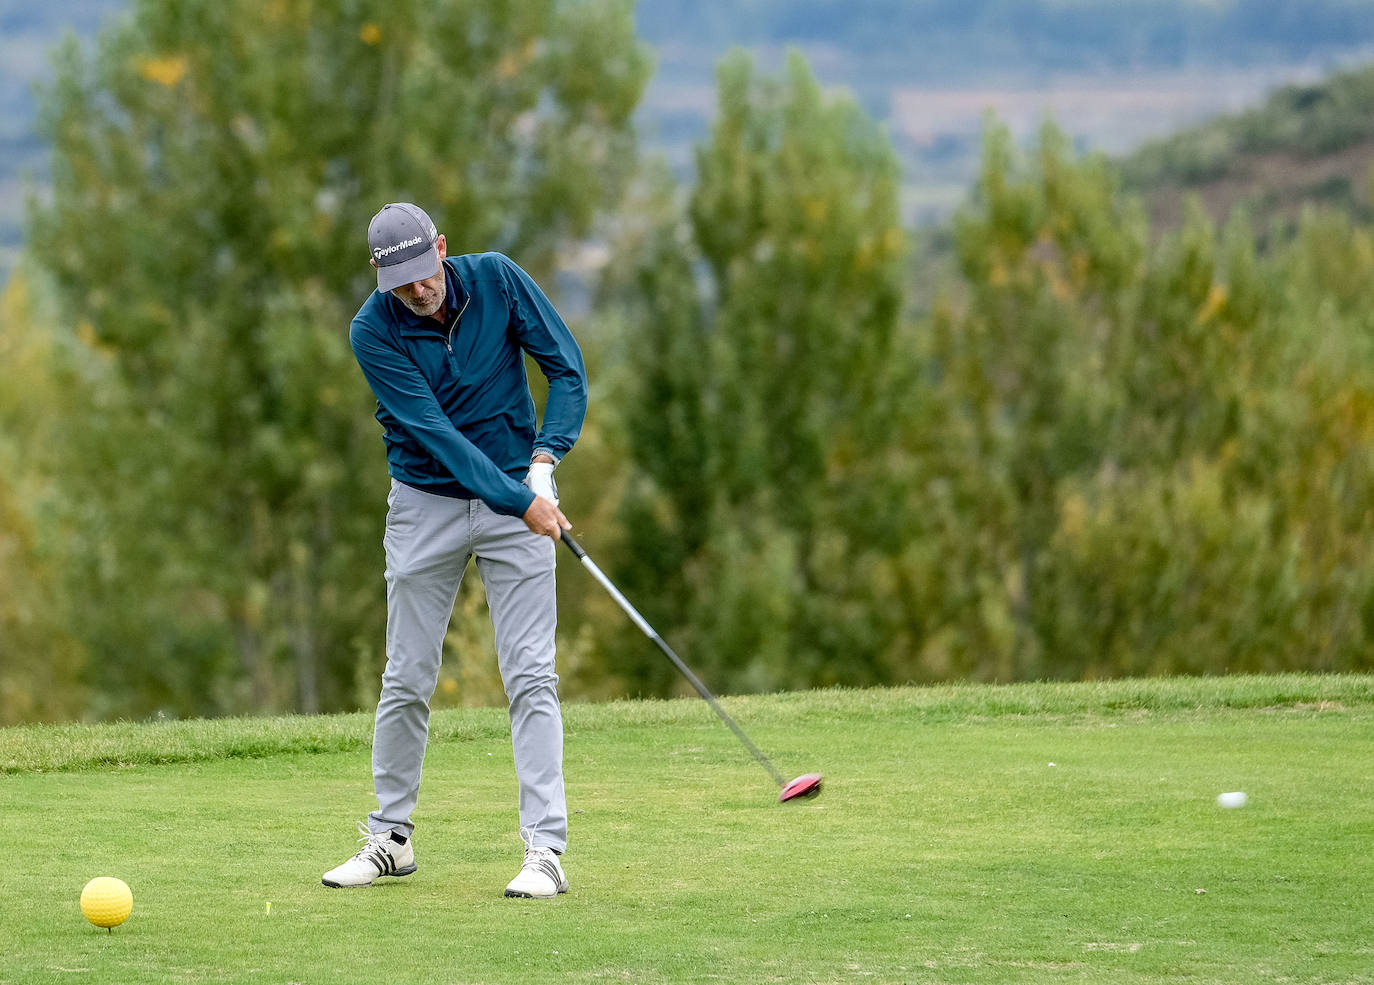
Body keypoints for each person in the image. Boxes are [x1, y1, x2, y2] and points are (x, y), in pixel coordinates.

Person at [322, 202, 586, 898]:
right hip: (426, 504)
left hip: (516, 496)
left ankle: (545, 851)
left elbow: (566, 370)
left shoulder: (497, 280)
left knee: (531, 674)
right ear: (383, 278)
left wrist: (545, 462)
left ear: (441, 247)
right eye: (401, 281)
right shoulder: (372, 330)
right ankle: (390, 839)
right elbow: (435, 434)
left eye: (423, 271)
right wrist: (522, 500)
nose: (418, 289)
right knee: (406, 674)